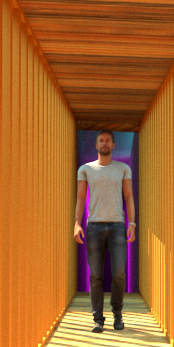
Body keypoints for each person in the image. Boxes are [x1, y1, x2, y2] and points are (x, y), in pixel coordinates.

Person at [73, 130, 135, 333]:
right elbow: (80, 197)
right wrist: (77, 223)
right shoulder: (85, 169)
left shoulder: (123, 168)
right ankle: (98, 319)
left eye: (108, 140)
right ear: (96, 145)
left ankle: (118, 314)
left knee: (119, 274)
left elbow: (129, 196)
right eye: (101, 140)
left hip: (117, 226)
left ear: (113, 145)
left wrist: (132, 223)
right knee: (96, 276)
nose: (104, 143)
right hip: (94, 226)